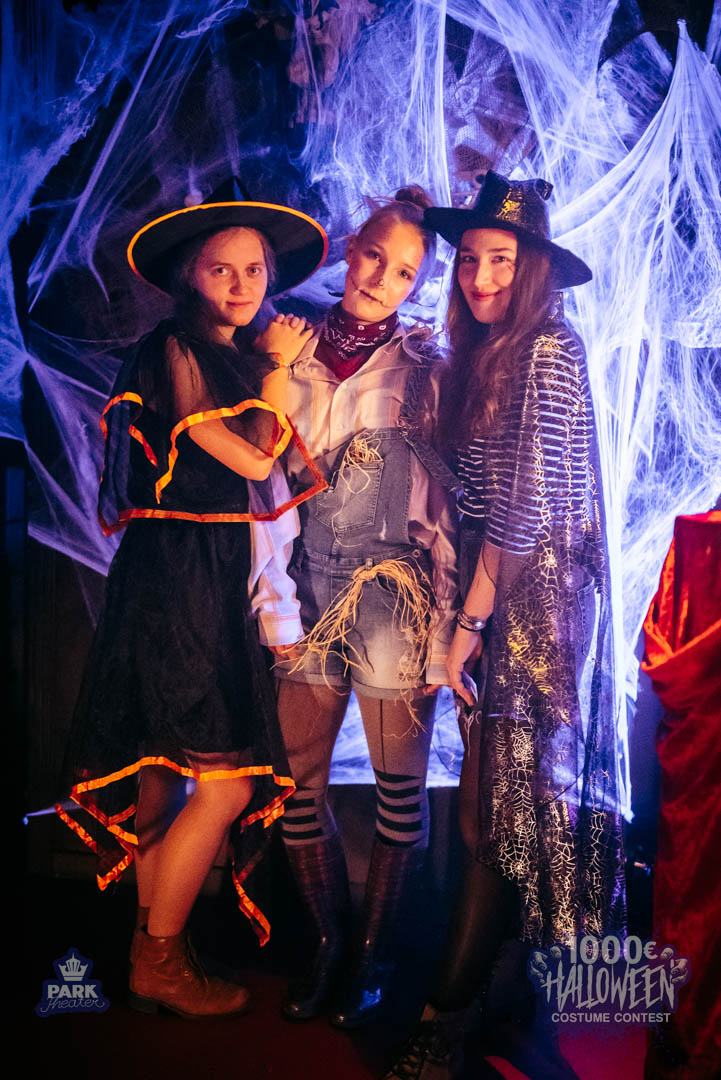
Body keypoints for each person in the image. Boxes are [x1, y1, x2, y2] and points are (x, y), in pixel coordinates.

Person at [56, 186, 327, 1018]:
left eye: (254, 270)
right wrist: (278, 368)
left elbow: (260, 505)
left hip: (195, 577)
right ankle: (158, 958)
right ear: (188, 276)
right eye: (221, 270)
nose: (242, 285)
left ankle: (154, 945)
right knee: (223, 783)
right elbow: (251, 462)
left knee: (167, 779)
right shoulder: (176, 348)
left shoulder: (226, 355)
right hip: (178, 583)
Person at [383, 170, 626, 1078]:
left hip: (538, 602)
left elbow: (525, 511)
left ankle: (445, 1017)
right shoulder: (486, 354)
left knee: (497, 814)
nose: (480, 278)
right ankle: (498, 994)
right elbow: (480, 494)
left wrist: (468, 624)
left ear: (532, 271)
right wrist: (427, 405)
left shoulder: (550, 349)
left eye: (500, 261)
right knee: (494, 813)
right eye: (470, 261)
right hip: (503, 588)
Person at [252, 186, 460, 1027]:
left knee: (396, 791)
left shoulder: (425, 369)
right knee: (296, 785)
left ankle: (373, 956)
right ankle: (328, 943)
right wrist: (273, 607)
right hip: (305, 588)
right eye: (374, 255)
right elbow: (262, 493)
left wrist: (443, 639)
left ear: (417, 284)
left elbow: (443, 519)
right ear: (349, 248)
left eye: (403, 271)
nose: (381, 277)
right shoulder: (285, 350)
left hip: (393, 603)